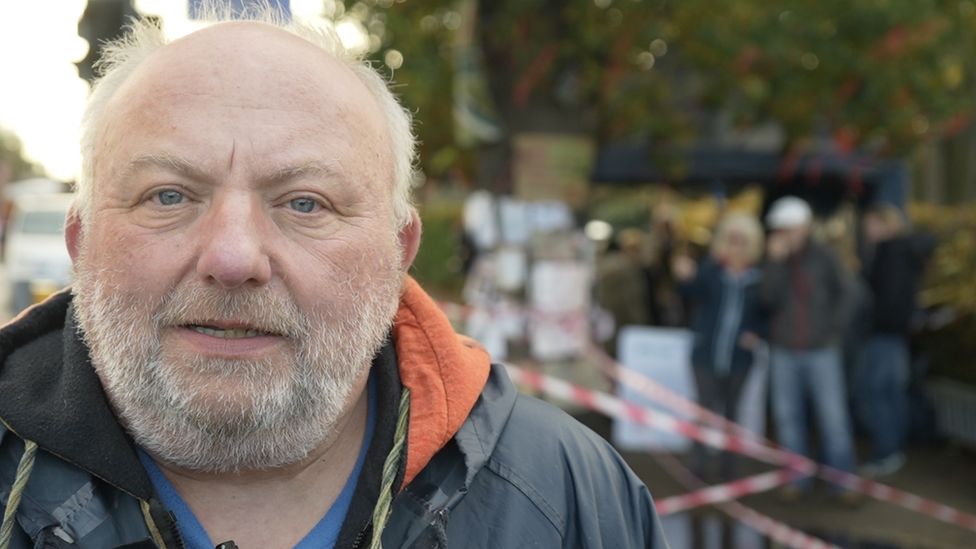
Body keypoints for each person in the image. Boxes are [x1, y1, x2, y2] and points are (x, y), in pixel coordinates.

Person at [0, 10, 668, 549]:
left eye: (305, 202)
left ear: (398, 251)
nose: (234, 257)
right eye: (168, 196)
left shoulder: (568, 494)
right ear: (81, 243)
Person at [760, 196, 858, 502]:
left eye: (788, 228)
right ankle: (797, 480)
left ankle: (842, 483)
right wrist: (775, 263)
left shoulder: (825, 256)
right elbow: (765, 299)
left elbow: (849, 294)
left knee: (833, 418)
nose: (784, 234)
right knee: (788, 418)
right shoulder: (775, 260)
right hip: (784, 350)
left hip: (821, 350)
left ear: (803, 227)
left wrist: (832, 330)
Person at [672, 213, 765, 483]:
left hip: (739, 359)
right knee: (704, 411)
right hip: (705, 355)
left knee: (732, 414)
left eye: (741, 240)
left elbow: (770, 313)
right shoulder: (711, 270)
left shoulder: (761, 278)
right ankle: (698, 469)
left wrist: (757, 334)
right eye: (731, 240)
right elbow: (688, 292)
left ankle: (729, 470)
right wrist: (683, 277)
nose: (735, 246)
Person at [856, 203, 936, 478]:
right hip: (896, 336)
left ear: (886, 224)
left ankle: (886, 452)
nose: (866, 230)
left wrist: (874, 322)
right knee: (892, 394)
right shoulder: (905, 253)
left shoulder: (889, 254)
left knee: (877, 393)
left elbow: (888, 300)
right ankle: (893, 450)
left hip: (884, 336)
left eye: (871, 224)